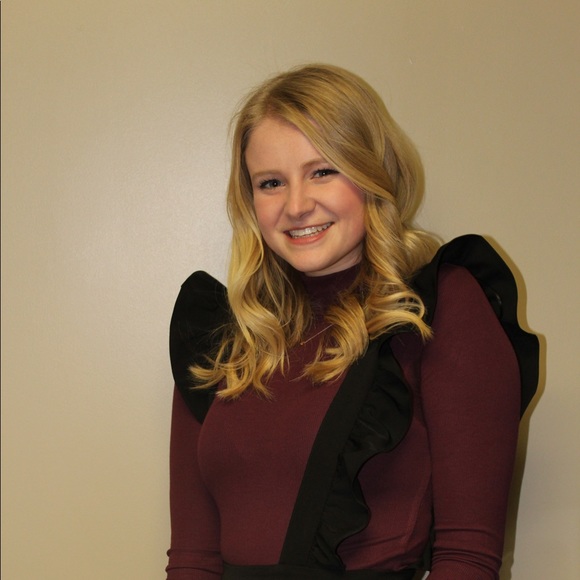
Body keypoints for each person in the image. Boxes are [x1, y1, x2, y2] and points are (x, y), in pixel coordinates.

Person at [166, 64, 539, 579]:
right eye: (271, 182)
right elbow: (192, 559)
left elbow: (467, 557)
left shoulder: (442, 308)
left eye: (322, 171)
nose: (297, 205)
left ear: (371, 173)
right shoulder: (220, 335)